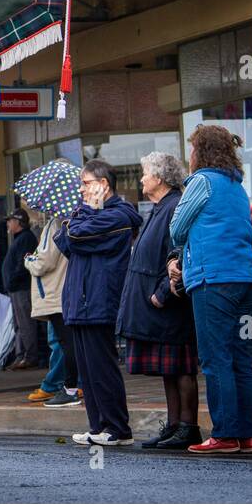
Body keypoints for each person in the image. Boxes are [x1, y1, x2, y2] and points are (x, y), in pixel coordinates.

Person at [170, 126, 252, 456]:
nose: (190, 154)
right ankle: (247, 435)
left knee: (215, 358)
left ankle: (224, 434)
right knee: (240, 358)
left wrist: (180, 251)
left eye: (193, 147)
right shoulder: (237, 185)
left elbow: (177, 226)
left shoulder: (202, 181)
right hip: (245, 280)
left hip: (213, 281)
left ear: (201, 151)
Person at [116, 152, 199, 450]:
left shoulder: (175, 206)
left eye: (145, 174)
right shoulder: (162, 206)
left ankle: (188, 426)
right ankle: (174, 425)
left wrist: (163, 293)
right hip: (158, 306)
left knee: (182, 368)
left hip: (170, 304)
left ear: (160, 178)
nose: (141, 179)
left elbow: (178, 252)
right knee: (169, 370)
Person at [56, 159, 141, 448]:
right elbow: (64, 239)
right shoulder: (90, 213)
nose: (81, 189)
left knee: (102, 366)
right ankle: (98, 426)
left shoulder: (119, 216)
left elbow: (77, 234)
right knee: (87, 370)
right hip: (79, 301)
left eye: (86, 183)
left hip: (99, 299)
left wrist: (86, 215)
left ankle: (118, 428)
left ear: (103, 184)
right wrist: (84, 214)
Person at [23, 207, 79, 407]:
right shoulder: (74, 221)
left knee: (61, 343)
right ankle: (70, 384)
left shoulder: (56, 224)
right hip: (65, 290)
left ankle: (60, 385)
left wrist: (29, 260)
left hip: (55, 292)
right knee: (66, 342)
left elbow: (43, 263)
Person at [2, 207, 39, 370]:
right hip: (16, 289)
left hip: (22, 288)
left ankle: (30, 357)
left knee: (26, 323)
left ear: (18, 222)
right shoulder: (20, 238)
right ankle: (21, 355)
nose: (8, 224)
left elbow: (23, 265)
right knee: (19, 324)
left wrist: (12, 281)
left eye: (10, 220)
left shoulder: (25, 238)